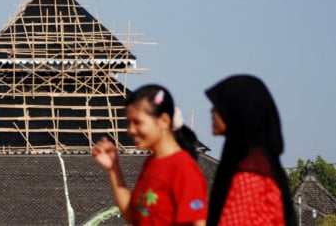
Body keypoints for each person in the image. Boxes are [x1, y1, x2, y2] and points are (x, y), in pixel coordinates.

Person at [92, 84, 208, 225]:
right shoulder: (152, 163)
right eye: (128, 123)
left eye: (137, 123)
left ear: (164, 121)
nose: (131, 130)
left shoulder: (183, 167)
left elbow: (198, 222)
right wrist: (113, 169)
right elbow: (133, 216)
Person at [205, 74, 297, 226]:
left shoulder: (250, 171)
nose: (212, 112)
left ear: (238, 110)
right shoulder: (249, 159)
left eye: (219, 106)